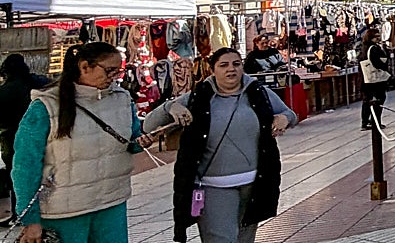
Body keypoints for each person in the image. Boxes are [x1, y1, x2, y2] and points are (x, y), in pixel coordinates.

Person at [145, 47, 296, 243]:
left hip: (254, 185)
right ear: (212, 70)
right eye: (223, 65)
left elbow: (290, 115)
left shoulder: (258, 93)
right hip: (213, 187)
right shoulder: (197, 97)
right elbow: (149, 124)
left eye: (236, 64)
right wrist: (171, 106)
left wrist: (284, 118)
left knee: (244, 240)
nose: (231, 69)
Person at [12, 42, 150, 243]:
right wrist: (30, 219)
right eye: (110, 70)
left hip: (111, 203)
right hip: (64, 213)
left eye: (118, 71)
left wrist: (146, 139)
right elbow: (25, 166)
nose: (114, 77)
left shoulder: (122, 99)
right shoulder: (46, 106)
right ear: (85, 67)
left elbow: (131, 141)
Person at [0, 55, 45, 226]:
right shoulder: (40, 83)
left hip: (11, 138)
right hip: (43, 137)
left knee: (17, 178)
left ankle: (19, 214)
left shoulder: (4, 91)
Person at [358, 29, 391, 131]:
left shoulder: (364, 48)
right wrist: (385, 67)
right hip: (375, 80)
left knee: (367, 100)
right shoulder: (373, 48)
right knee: (379, 99)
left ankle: (365, 122)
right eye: (376, 36)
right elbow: (377, 63)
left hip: (366, 79)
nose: (378, 38)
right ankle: (375, 121)